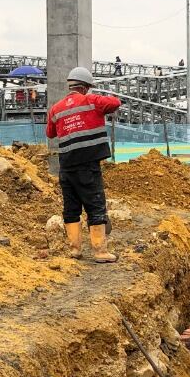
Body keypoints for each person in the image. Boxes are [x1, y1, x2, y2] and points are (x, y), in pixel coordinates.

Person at [45, 67, 121, 262]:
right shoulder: (91, 100)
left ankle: (75, 250)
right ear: (86, 87)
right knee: (95, 205)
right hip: (87, 166)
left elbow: (50, 133)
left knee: (71, 208)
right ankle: (100, 252)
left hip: (66, 167)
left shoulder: (56, 108)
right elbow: (115, 103)